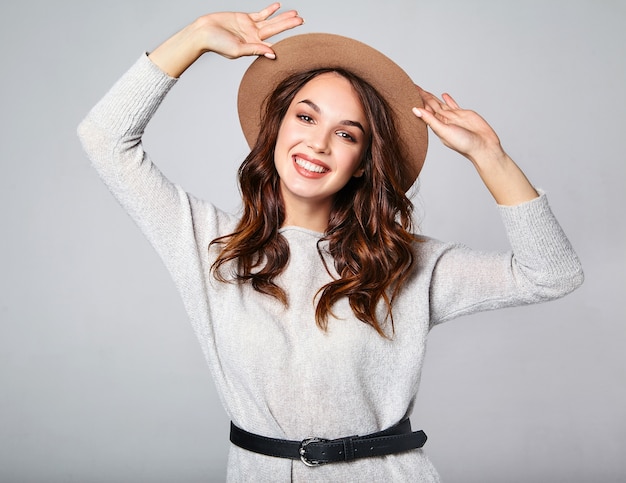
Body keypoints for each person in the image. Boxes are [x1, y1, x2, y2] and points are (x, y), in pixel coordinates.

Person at [78, 3, 583, 481]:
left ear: (363, 160)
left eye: (347, 134)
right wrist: (195, 38)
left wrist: (488, 156)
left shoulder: (405, 263)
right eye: (305, 116)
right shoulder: (211, 244)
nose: (318, 143)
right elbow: (105, 138)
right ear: (275, 127)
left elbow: (553, 274)